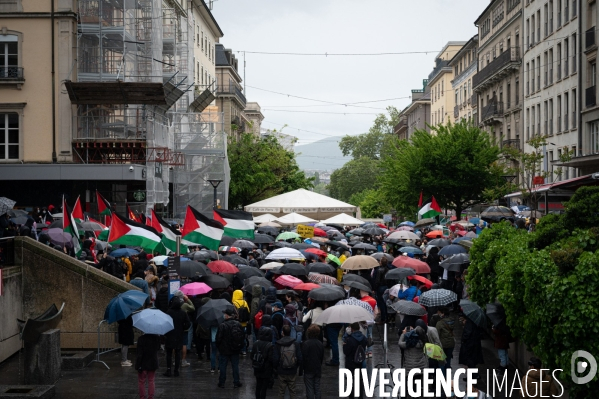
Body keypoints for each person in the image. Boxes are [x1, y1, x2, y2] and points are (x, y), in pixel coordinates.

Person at [215, 308, 244, 388]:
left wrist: (219, 346)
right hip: (235, 349)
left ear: (227, 316)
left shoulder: (222, 325)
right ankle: (236, 382)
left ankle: (222, 382)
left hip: (224, 350)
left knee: (223, 366)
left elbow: (218, 338)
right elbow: (242, 336)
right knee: (235, 366)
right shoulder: (238, 324)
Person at [273, 325, 303, 399]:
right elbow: (299, 357)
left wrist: (276, 368)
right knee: (292, 391)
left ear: (282, 332)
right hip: (292, 370)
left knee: (281, 391)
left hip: (281, 370)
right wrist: (296, 366)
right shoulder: (295, 343)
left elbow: (276, 358)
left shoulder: (278, 344)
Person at [164, 297, 190, 377]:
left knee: (169, 353)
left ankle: (168, 370)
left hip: (170, 334)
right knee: (178, 352)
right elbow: (188, 324)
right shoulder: (183, 313)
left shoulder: (168, 312)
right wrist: (183, 328)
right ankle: (176, 370)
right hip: (179, 334)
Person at [399, 325, 428, 392]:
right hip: (420, 368)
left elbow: (400, 343)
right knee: (417, 386)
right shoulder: (422, 343)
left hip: (410, 369)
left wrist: (403, 334)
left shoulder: (408, 344)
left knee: (410, 386)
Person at [342, 322, 367, 398]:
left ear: (352, 329)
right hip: (360, 361)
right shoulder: (363, 338)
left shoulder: (349, 339)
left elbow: (346, 352)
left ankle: (351, 396)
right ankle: (360, 396)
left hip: (351, 362)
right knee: (360, 380)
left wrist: (344, 345)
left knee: (350, 381)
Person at [172, 290, 195, 368]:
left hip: (175, 327)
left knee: (175, 344)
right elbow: (192, 308)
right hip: (184, 327)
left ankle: (175, 360)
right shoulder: (184, 305)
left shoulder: (172, 304)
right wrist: (187, 299)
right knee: (184, 344)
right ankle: (183, 361)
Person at [251, 326, 275, 399]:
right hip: (266, 369)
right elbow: (271, 359)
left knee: (258, 385)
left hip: (257, 367)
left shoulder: (256, 343)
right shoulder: (270, 345)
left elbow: (252, 356)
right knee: (264, 387)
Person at [301, 324, 324, 399]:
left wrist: (302, 369)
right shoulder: (320, 344)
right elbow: (321, 357)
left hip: (308, 369)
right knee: (317, 387)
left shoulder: (306, 344)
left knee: (309, 388)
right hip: (317, 368)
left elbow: (303, 357)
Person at [135, 333, 160, 399]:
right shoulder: (156, 338)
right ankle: (150, 397)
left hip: (143, 362)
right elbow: (158, 348)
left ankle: (142, 397)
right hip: (153, 362)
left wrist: (138, 365)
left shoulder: (141, 339)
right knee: (151, 380)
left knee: (141, 381)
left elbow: (139, 353)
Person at [435, 307, 456, 372]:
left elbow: (436, 334)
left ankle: (443, 377)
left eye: (439, 312)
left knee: (442, 361)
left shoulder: (440, 323)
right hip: (451, 343)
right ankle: (448, 374)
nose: (438, 314)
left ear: (442, 313)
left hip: (443, 344)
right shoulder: (452, 320)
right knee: (448, 359)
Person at [232, 289, 251, 355]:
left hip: (237, 323)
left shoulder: (234, 303)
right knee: (244, 337)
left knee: (237, 337)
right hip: (244, 323)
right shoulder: (244, 302)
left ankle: (237, 349)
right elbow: (248, 311)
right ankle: (244, 350)